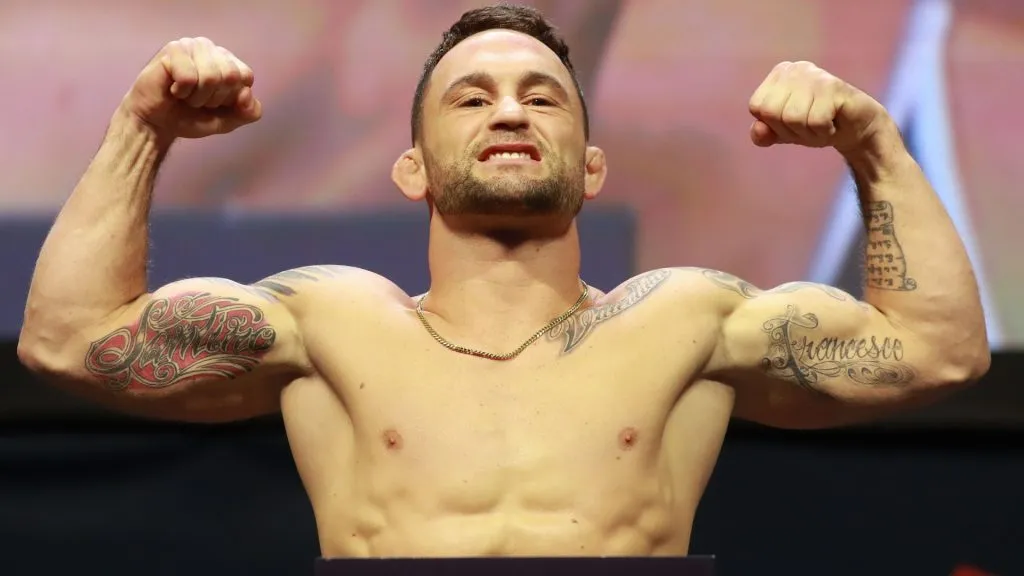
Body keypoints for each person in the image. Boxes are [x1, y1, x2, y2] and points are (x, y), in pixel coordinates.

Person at [18, 3, 989, 558]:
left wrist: (870, 144)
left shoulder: (687, 319)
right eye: (469, 98)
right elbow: (70, 337)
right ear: (412, 167)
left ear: (592, 163)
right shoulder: (328, 320)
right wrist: (143, 128)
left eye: (542, 98)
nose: (510, 113)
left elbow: (938, 349)